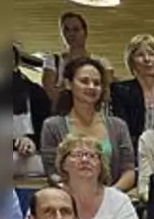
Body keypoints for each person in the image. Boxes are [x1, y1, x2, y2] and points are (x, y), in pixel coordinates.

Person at [42, 57, 136, 193]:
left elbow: (129, 171)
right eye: (84, 81)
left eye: (97, 83)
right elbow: (52, 173)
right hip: (69, 200)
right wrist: (77, 194)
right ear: (68, 84)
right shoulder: (52, 126)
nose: (91, 87)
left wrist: (108, 196)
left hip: (112, 200)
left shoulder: (118, 126)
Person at [110, 33, 154, 149]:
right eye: (140, 55)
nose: (147, 59)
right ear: (131, 61)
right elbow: (122, 129)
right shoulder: (120, 91)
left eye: (152, 54)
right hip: (131, 150)